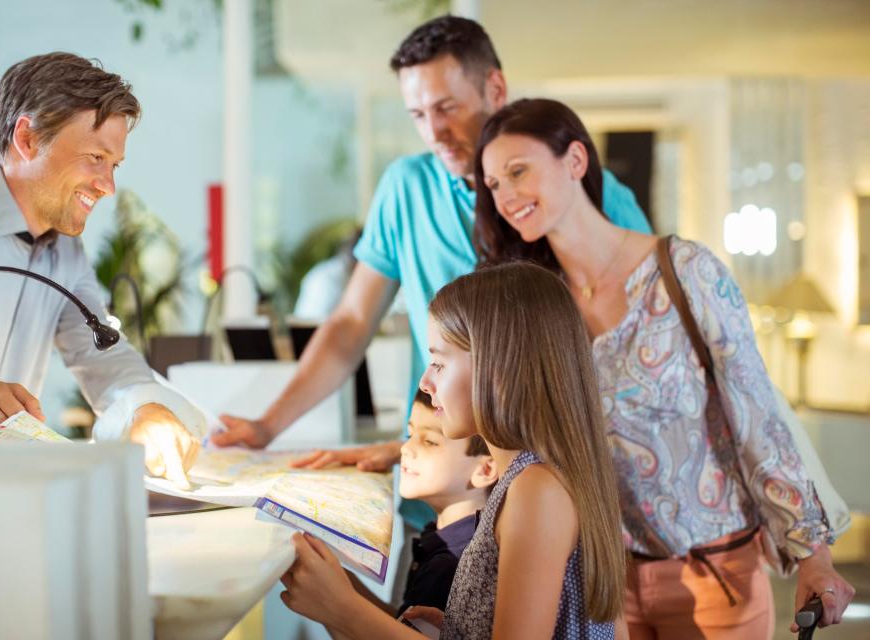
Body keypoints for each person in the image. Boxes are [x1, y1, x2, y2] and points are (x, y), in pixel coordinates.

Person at [473, 97, 855, 636]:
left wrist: (813, 554)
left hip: (716, 577)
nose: (506, 195)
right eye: (492, 185)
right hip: (602, 583)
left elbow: (758, 418)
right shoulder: (539, 305)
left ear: (576, 160)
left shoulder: (685, 271)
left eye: (517, 171)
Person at [212, 16, 651, 473]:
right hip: (440, 481)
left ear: (495, 89)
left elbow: (626, 347)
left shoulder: (583, 193)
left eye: (447, 108)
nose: (434, 132)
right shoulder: (407, 188)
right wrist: (266, 426)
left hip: (550, 476)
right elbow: (351, 324)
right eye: (418, 115)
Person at [279, 262, 626, 640]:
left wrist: (342, 609)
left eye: (439, 363)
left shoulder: (537, 490)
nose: (426, 383)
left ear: (499, 370)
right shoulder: (529, 482)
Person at [0, 52, 202, 487]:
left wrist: (146, 408)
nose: (108, 186)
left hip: (7, 501)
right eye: (96, 157)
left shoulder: (66, 251)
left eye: (114, 164)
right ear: (27, 138)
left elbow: (101, 351)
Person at [335, 389, 496, 633]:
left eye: (429, 441)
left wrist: (333, 605)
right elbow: (399, 628)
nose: (405, 449)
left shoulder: (449, 566)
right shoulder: (451, 537)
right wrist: (339, 581)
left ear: (484, 470)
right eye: (409, 435)